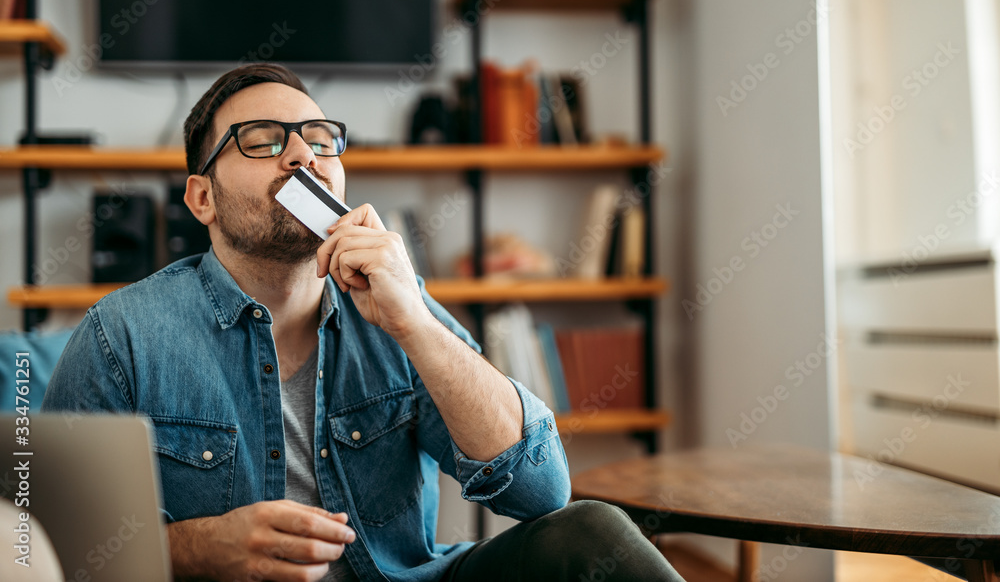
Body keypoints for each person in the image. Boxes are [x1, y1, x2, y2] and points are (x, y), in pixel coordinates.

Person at [42, 63, 684, 582]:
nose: (303, 158)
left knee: (590, 531)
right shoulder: (118, 335)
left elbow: (543, 493)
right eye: (263, 142)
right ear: (201, 198)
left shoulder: (398, 305)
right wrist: (199, 548)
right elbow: (53, 548)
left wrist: (415, 325)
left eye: (321, 141)